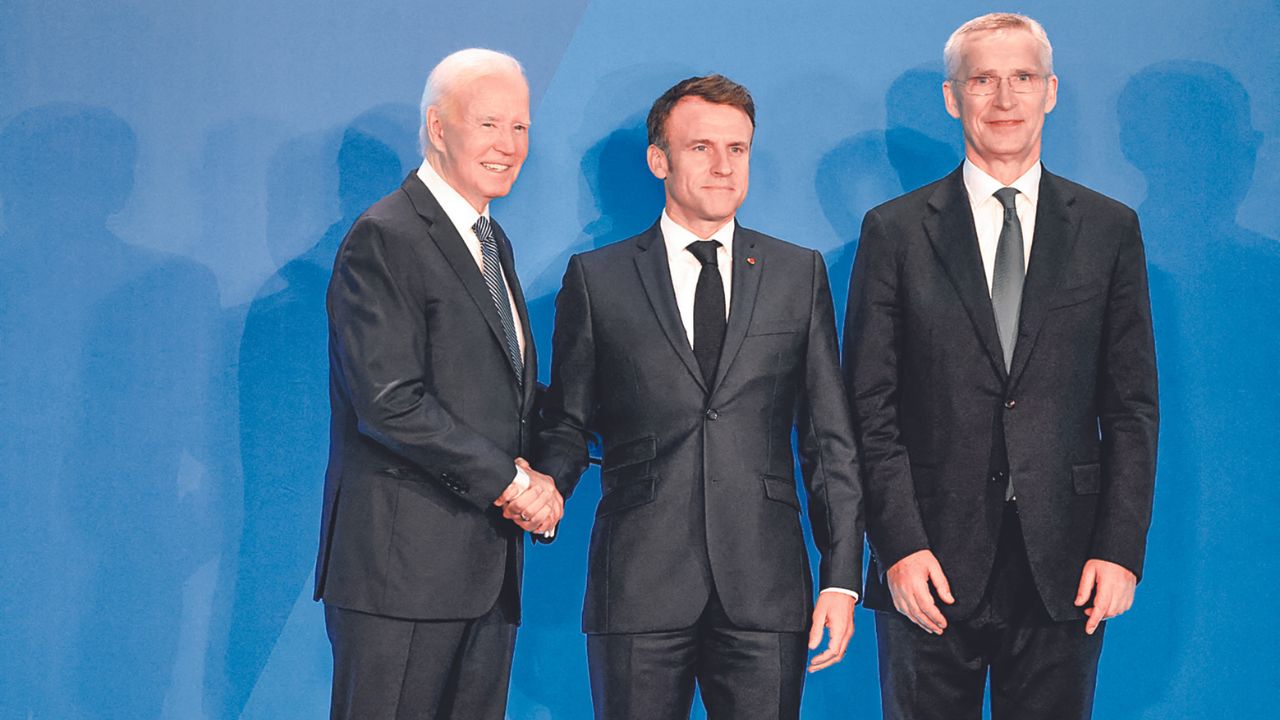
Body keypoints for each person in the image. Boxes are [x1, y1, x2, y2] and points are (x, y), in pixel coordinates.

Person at [843, 13, 1158, 719]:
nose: (1005, 100)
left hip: (1068, 564)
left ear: (1051, 92)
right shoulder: (893, 231)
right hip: (929, 563)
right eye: (984, 80)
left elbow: (1131, 406)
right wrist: (897, 545)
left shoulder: (1109, 229)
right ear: (954, 98)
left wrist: (1120, 547)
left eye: (1022, 79)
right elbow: (870, 405)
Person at [534, 74, 864, 720]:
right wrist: (543, 488)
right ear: (659, 159)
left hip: (766, 589)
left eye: (737, 149)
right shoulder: (597, 281)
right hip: (637, 585)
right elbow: (569, 424)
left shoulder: (798, 275)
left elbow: (829, 440)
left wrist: (842, 576)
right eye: (700, 148)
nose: (722, 166)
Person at [314, 48, 563, 720]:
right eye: (489, 124)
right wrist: (516, 487)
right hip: (401, 579)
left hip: (484, 574)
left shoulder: (489, 240)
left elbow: (498, 397)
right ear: (437, 126)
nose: (509, 145)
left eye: (520, 128)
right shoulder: (386, 236)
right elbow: (390, 402)